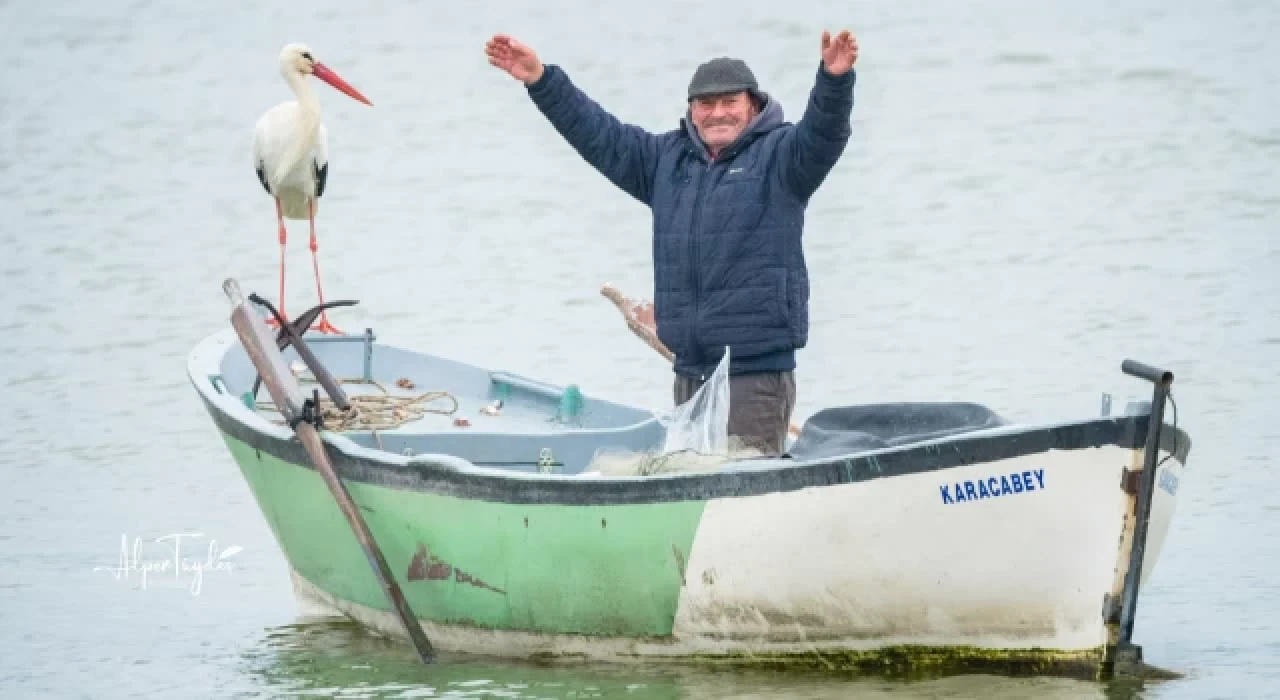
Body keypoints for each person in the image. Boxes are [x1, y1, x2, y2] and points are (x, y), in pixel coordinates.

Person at [485, 30, 859, 455]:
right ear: (691, 110)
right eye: (706, 103)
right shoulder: (667, 162)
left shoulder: (783, 157)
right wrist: (541, 80)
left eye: (729, 102)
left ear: (753, 106)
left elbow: (825, 133)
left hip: (754, 377)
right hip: (691, 373)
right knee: (700, 492)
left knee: (746, 493)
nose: (717, 113)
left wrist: (834, 79)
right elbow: (599, 136)